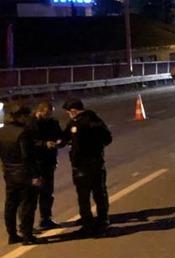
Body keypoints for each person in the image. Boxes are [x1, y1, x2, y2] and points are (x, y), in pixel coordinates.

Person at [61, 99, 112, 237]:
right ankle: (103, 220)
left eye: (68, 113)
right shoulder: (96, 120)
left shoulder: (76, 123)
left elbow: (69, 142)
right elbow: (108, 139)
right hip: (98, 163)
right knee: (100, 193)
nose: (69, 116)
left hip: (82, 166)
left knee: (83, 197)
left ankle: (87, 225)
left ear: (73, 111)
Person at [0, 103, 41, 245]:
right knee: (27, 205)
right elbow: (27, 156)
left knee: (11, 204)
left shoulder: (2, 131)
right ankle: (27, 236)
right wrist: (35, 175)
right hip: (24, 173)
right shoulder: (23, 132)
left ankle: (12, 235)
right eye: (25, 116)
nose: (27, 119)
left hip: (9, 173)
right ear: (19, 116)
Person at [27, 101, 63, 230]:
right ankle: (26, 226)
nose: (49, 116)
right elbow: (28, 143)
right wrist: (44, 144)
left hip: (49, 162)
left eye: (50, 114)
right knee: (31, 196)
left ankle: (46, 219)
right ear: (40, 111)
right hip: (35, 164)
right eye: (47, 113)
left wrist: (60, 141)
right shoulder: (30, 124)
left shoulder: (53, 122)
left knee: (47, 193)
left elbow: (60, 135)